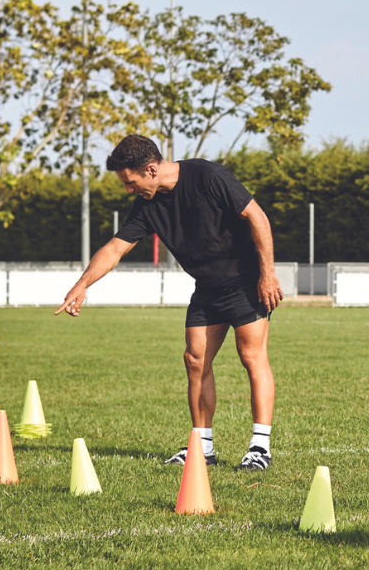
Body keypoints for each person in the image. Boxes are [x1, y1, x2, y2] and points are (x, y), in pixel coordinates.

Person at [55, 134, 286, 472]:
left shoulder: (209, 177)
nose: (128, 190)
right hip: (207, 287)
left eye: (129, 182)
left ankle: (259, 448)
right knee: (195, 359)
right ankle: (202, 447)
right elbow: (115, 248)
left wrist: (267, 273)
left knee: (252, 356)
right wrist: (81, 285)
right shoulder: (147, 205)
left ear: (150, 169)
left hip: (245, 281)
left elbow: (257, 217)